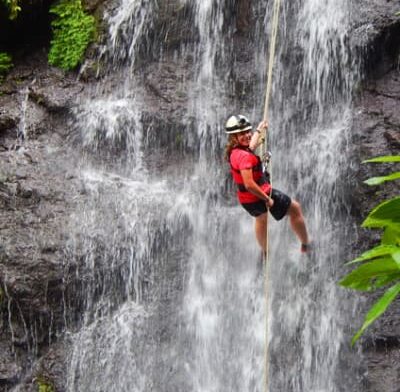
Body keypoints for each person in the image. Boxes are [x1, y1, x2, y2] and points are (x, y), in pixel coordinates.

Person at [224, 114, 311, 254]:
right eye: (242, 133)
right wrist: (268, 199)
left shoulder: (235, 151)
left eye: (248, 131)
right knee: (295, 209)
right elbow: (249, 184)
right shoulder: (245, 157)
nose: (247, 135)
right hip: (259, 195)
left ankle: (265, 251)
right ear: (234, 137)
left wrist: (258, 130)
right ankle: (306, 245)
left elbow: (251, 146)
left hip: (246, 200)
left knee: (261, 218)